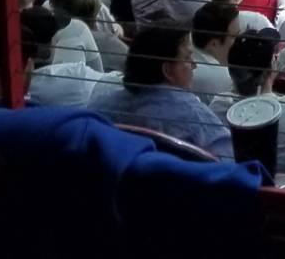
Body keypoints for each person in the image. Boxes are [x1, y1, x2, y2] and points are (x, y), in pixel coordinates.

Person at [89, 23, 234, 160]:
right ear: (167, 71)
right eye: (187, 58)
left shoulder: (101, 107)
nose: (194, 65)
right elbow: (229, 164)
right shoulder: (194, 115)